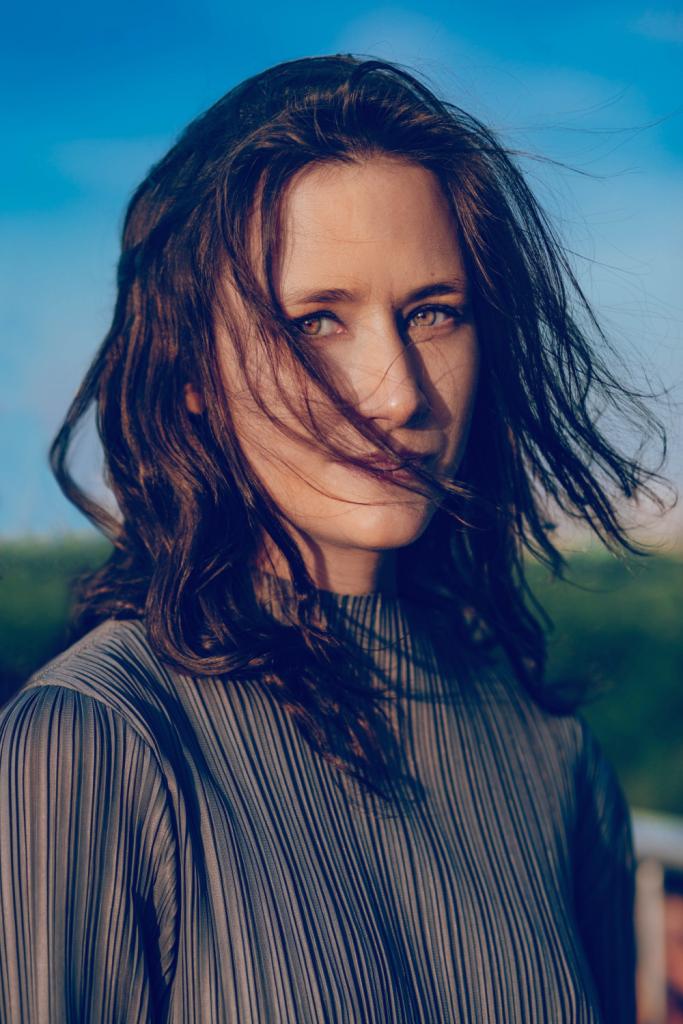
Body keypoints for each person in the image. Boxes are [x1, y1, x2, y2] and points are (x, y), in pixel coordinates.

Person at [0, 54, 671, 1023]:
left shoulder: (554, 762)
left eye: (432, 312)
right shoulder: (96, 739)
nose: (397, 393)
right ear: (190, 374)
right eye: (316, 321)